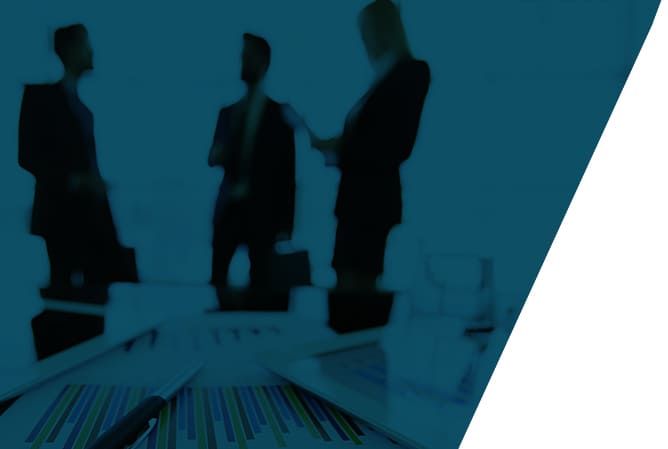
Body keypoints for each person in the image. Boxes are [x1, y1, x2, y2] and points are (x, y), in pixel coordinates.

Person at [308, 0, 431, 291]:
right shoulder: (380, 79)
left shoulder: (410, 72)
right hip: (356, 201)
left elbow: (395, 144)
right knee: (349, 286)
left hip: (370, 202)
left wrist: (342, 150)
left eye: (368, 32)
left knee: (358, 291)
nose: (365, 41)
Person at [18, 24, 135, 300]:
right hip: (60, 216)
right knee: (65, 296)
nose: (91, 52)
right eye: (86, 45)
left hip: (91, 218)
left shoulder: (82, 109)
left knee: (95, 297)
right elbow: (28, 156)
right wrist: (75, 181)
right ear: (70, 50)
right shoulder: (40, 98)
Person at [208, 33, 296, 291]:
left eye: (249, 56)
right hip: (229, 209)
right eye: (242, 56)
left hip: (263, 212)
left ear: (264, 62)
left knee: (262, 283)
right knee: (218, 279)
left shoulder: (280, 115)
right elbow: (212, 156)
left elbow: (288, 173)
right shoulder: (228, 112)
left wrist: (286, 224)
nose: (243, 62)